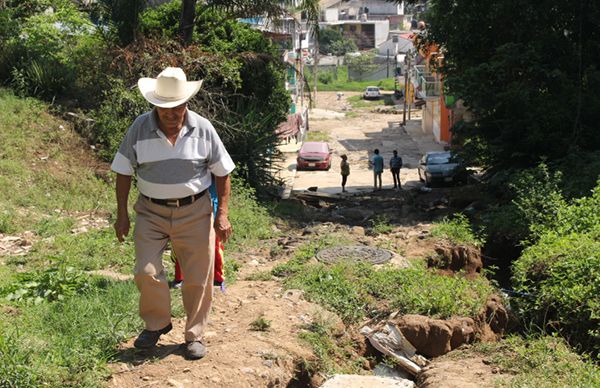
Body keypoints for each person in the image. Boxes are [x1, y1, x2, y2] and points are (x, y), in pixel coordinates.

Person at [111, 67, 235, 360]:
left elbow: (223, 172)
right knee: (146, 270)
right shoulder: (139, 129)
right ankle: (157, 324)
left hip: (195, 211)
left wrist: (223, 214)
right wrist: (122, 214)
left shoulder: (203, 128)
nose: (171, 113)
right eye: (164, 107)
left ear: (186, 103)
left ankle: (194, 335)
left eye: (176, 107)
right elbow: (123, 172)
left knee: (197, 277)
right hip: (150, 211)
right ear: (154, 104)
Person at [171, 176, 226, 291]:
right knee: (181, 240)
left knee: (214, 243)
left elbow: (222, 175)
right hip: (184, 202)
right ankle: (180, 277)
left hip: (210, 200)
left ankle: (217, 279)